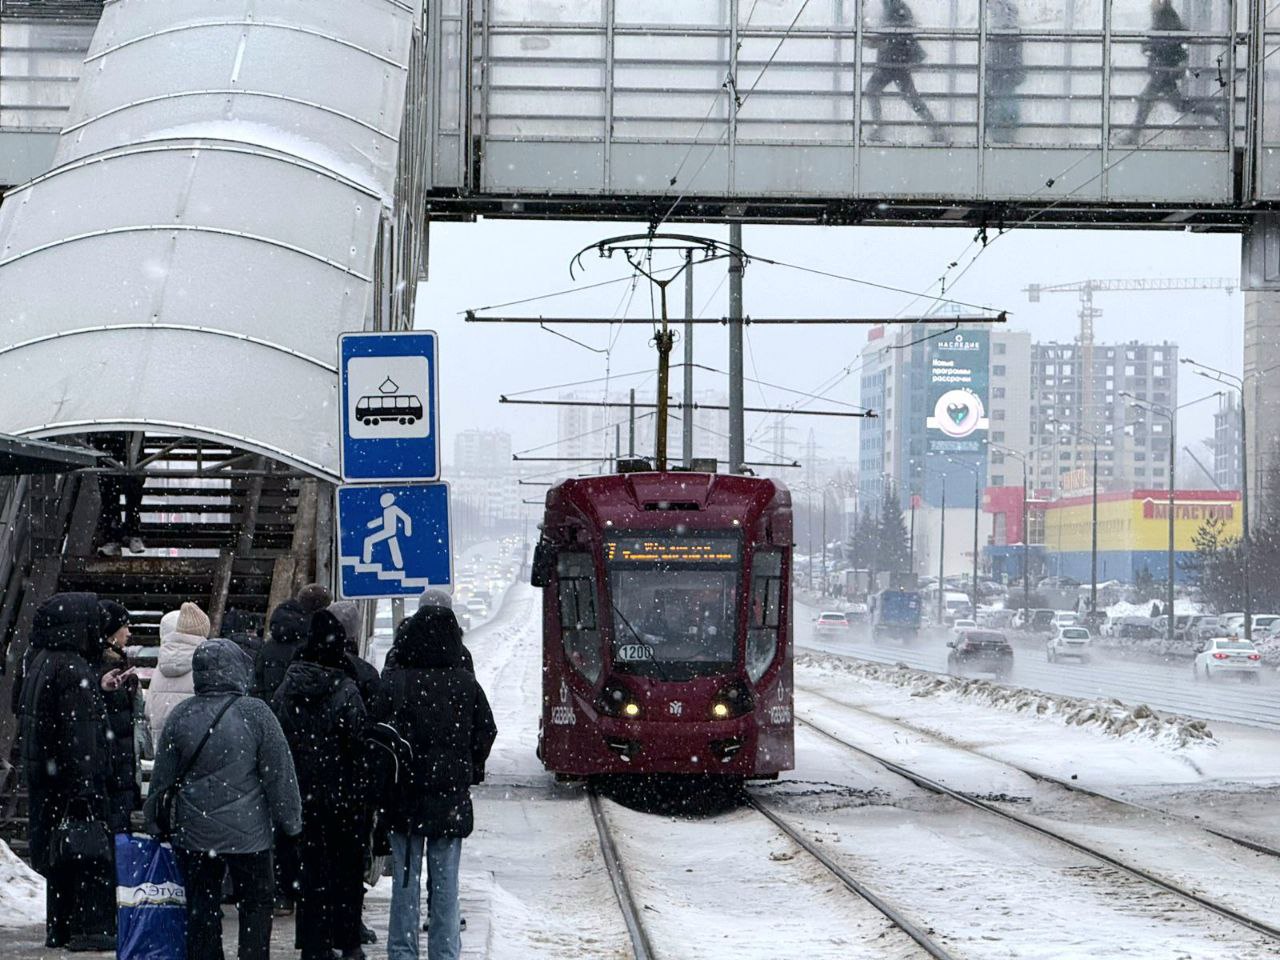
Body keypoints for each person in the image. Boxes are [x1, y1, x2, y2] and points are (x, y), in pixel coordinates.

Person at [144, 639, 303, 960]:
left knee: (202, 907)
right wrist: (292, 823)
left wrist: (154, 822)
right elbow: (280, 775)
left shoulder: (182, 714)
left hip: (195, 833)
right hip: (250, 837)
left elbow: (162, 779)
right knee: (256, 904)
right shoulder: (257, 713)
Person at [380, 605, 496, 960]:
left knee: (405, 883)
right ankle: (445, 952)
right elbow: (486, 731)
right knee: (446, 883)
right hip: (449, 798)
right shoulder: (464, 683)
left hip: (406, 797)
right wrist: (470, 768)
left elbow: (378, 733)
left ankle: (402, 952)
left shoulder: (397, 681)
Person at [15, 592, 115, 952]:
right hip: (72, 784)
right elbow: (81, 737)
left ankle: (59, 926)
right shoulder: (73, 668)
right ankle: (89, 929)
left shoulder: (41, 660)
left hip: (47, 780)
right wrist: (86, 787)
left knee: (61, 858)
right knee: (87, 858)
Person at [271, 610, 369, 960]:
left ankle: (315, 944)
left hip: (302, 796)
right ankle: (348, 940)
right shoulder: (346, 689)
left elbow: (277, 739)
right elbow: (358, 744)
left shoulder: (287, 688)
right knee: (347, 870)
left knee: (312, 874)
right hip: (343, 798)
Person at [327, 601, 385, 948]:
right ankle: (351, 924)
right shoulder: (363, 673)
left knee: (323, 859)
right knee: (353, 859)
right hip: (353, 785)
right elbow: (375, 730)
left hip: (319, 783)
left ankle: (324, 925)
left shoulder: (307, 668)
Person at [1123, 0, 1223, 144]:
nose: (1151, 5)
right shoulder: (1165, 17)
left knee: (1148, 100)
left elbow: (1165, 39)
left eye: (1155, 2)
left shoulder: (1164, 18)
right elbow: (1172, 37)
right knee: (1178, 104)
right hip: (1164, 72)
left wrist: (1149, 46)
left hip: (1162, 72)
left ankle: (1133, 136)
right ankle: (1214, 110)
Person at [862, 0, 945, 142]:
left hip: (892, 63)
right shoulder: (897, 8)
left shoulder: (895, 9)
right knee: (911, 98)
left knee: (874, 90)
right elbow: (895, 34)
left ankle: (879, 127)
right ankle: (935, 128)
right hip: (895, 62)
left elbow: (888, 36)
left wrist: (869, 32)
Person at [97, 600, 145, 832]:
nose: (129, 632)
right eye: (124, 626)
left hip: (117, 764)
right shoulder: (105, 668)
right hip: (114, 765)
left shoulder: (113, 663)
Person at [144, 602, 211, 744]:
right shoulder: (205, 664)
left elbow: (148, 708)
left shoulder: (161, 665)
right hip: (196, 745)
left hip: (162, 744)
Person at [92, 432, 146, 556]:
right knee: (110, 488)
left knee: (130, 486)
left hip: (117, 432)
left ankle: (123, 535)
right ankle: (119, 535)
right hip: (111, 433)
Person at [985, 0, 1025, 143]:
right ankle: (1006, 136)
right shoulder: (1011, 35)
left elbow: (992, 60)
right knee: (1005, 109)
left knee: (1000, 109)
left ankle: (1001, 137)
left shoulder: (996, 35)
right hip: (1004, 84)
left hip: (1000, 85)